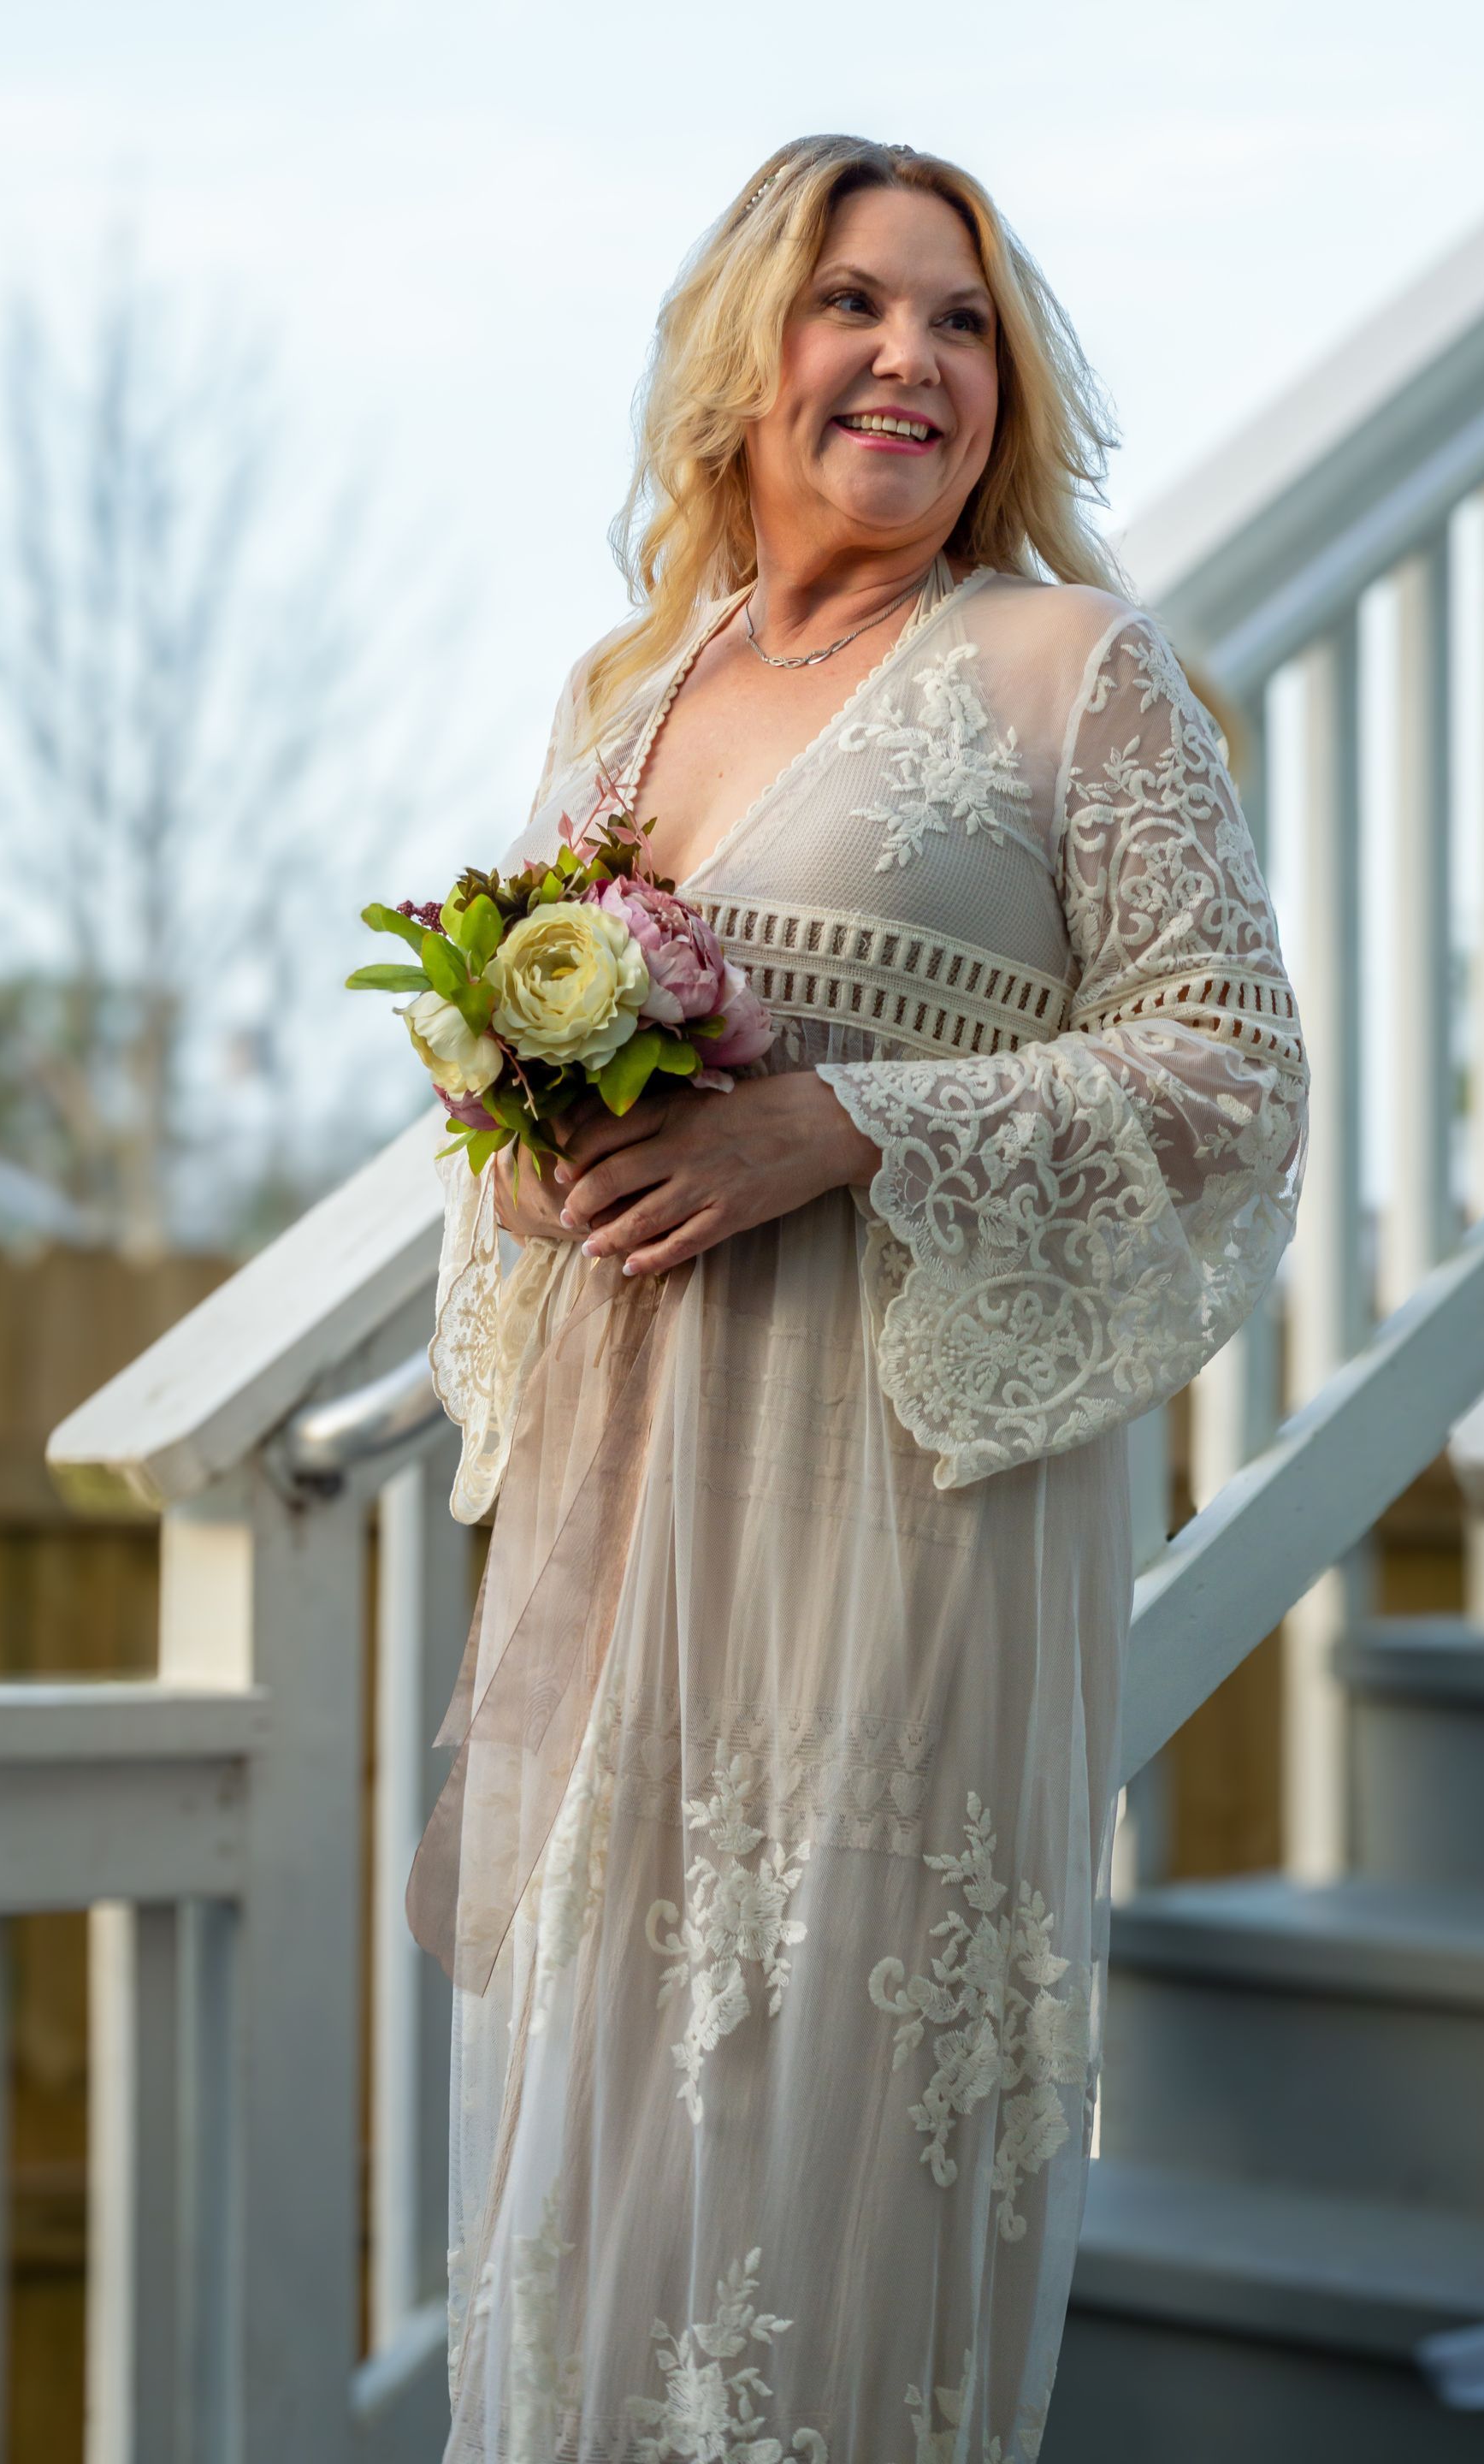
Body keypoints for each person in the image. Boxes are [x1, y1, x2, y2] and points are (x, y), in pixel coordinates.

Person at [419, 133, 1308, 2464]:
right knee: (608, 2186)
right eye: (857, 303)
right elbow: (516, 1132)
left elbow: (1233, 1069)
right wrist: (540, 1161)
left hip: (895, 1542)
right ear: (750, 355)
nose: (911, 357)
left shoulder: (1071, 669)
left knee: (824, 2189)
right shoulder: (628, 694)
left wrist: (847, 1126)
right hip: (639, 1545)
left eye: (963, 320)